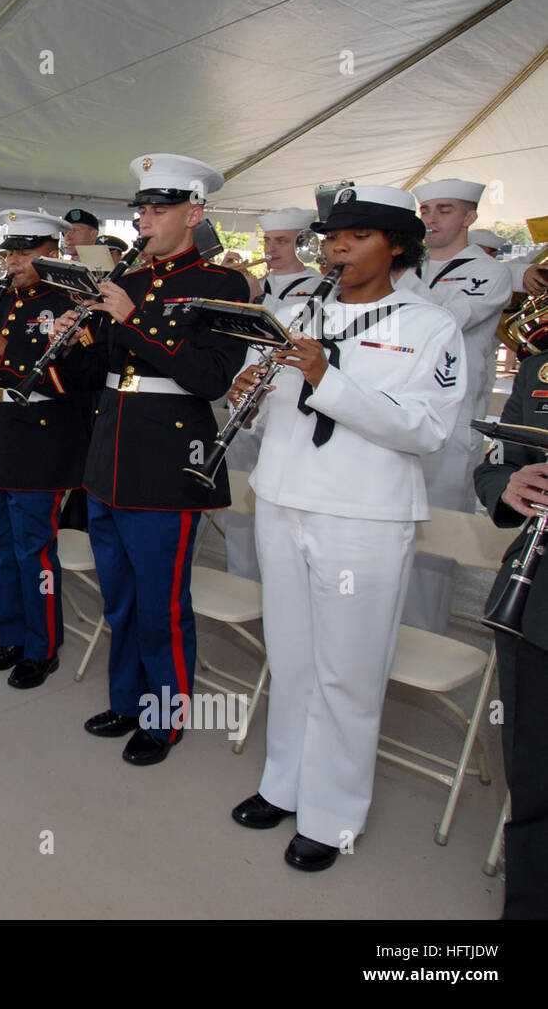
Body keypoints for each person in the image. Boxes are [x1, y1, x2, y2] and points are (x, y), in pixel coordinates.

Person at [227, 185, 465, 871]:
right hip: (282, 495)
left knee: (349, 671)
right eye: (331, 236)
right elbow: (274, 401)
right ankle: (285, 782)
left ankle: (333, 816)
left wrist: (327, 379)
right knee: (294, 657)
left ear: (396, 245)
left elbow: (425, 430)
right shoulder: (297, 308)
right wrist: (253, 388)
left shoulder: (429, 325)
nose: (338, 248)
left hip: (364, 512)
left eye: (358, 236)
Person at [54, 153, 250, 765]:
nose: (145, 219)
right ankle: (127, 699)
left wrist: (133, 321)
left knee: (162, 601)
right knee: (118, 594)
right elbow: (97, 373)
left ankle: (165, 718)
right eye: (141, 209)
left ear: (194, 214)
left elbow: (210, 378)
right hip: (109, 455)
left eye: (158, 209)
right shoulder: (128, 280)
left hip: (167, 460)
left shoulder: (222, 286)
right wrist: (74, 335)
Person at [0, 211, 88, 687]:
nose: (12, 261)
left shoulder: (69, 304)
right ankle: (12, 634)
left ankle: (42, 646)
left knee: (34, 551)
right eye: (9, 251)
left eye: (23, 252)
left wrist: (1, 350)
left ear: (50, 252)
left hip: (40, 437)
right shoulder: (3, 297)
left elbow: (71, 382)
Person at [396, 179, 513, 634]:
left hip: (453, 419)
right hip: (399, 412)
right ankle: (387, 629)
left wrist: (397, 282)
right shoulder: (409, 267)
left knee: (436, 533)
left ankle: (424, 636)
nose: (431, 218)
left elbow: (446, 321)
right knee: (397, 526)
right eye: (425, 210)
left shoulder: (488, 271)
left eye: (445, 210)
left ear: (470, 218)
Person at [473, 349, 548, 918]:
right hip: (536, 597)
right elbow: (495, 462)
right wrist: (510, 482)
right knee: (534, 774)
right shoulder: (541, 365)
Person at [220, 208, 320, 582]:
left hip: (286, 400)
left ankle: (277, 581)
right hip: (246, 398)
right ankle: (239, 576)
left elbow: (288, 332)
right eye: (268, 241)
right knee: (240, 493)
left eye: (283, 241)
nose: (272, 248)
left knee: (280, 499)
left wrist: (253, 293)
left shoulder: (317, 285)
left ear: (303, 245)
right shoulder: (258, 282)